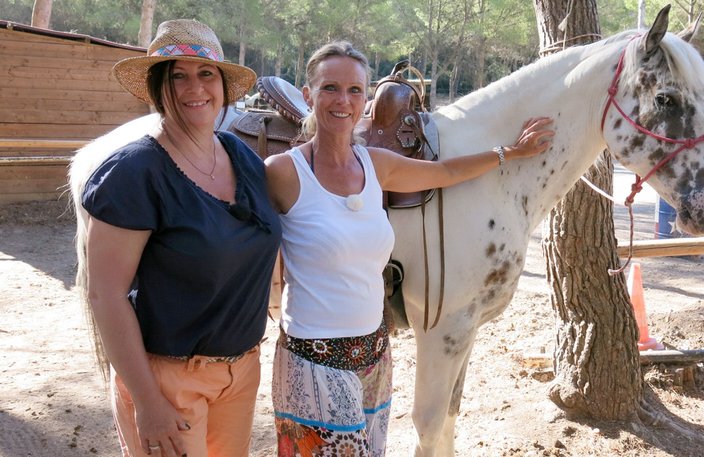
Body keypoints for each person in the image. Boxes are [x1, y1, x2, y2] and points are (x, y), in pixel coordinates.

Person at [264, 41, 554, 456]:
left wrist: (510, 152)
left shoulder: (375, 164)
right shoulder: (283, 173)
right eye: (330, 88)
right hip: (313, 357)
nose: (342, 100)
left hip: (374, 354)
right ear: (308, 95)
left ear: (366, 99)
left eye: (354, 90)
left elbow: (445, 172)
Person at [80, 19, 280, 456]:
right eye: (178, 76)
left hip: (241, 371)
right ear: (157, 88)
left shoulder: (240, 156)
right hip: (168, 378)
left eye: (206, 74)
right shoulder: (133, 173)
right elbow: (105, 295)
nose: (195, 88)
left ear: (223, 86)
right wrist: (148, 402)